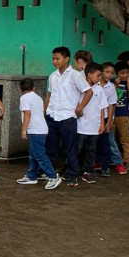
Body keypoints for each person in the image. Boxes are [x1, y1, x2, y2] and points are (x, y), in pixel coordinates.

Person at [44, 45, 92, 188]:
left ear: (67, 59)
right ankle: (51, 174)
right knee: (51, 147)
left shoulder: (75, 75)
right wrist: (44, 110)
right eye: (53, 59)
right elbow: (49, 95)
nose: (55, 61)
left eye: (57, 58)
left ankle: (73, 174)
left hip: (67, 116)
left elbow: (88, 92)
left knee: (70, 147)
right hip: (52, 115)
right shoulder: (53, 76)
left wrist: (80, 107)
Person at [17, 79, 62, 189]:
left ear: (20, 89)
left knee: (39, 154)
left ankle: (53, 176)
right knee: (33, 153)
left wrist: (23, 130)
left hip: (35, 130)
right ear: (33, 88)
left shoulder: (24, 98)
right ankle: (31, 175)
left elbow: (27, 113)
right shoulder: (38, 97)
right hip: (41, 129)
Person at [76, 63, 106, 184]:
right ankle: (74, 169)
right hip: (80, 125)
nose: (99, 78)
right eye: (98, 75)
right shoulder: (80, 89)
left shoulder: (99, 89)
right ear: (89, 75)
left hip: (94, 125)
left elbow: (102, 107)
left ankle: (88, 171)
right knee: (78, 149)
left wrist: (102, 123)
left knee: (91, 149)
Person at [96, 63, 125, 176]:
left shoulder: (111, 87)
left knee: (110, 141)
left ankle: (118, 162)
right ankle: (97, 162)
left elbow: (112, 105)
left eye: (112, 73)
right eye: (107, 72)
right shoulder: (94, 84)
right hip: (94, 117)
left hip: (106, 117)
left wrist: (110, 121)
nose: (109, 75)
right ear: (101, 72)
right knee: (95, 141)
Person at [112, 60, 129, 167]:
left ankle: (126, 160)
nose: (125, 75)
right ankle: (113, 159)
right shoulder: (112, 82)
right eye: (122, 73)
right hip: (112, 115)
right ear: (117, 73)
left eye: (127, 72)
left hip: (124, 115)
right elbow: (108, 97)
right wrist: (115, 85)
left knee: (125, 138)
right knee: (111, 138)